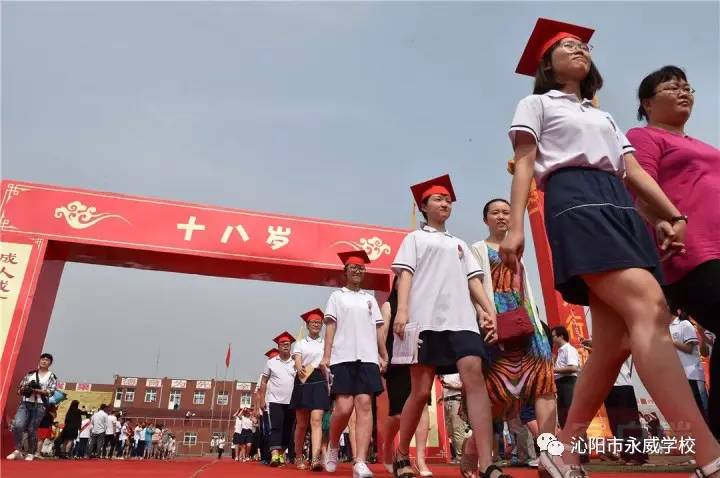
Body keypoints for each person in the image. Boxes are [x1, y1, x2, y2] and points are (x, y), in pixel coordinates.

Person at [502, 17, 720, 478]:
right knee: (650, 307)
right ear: (548, 63)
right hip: (574, 199)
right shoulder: (536, 103)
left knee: (614, 342)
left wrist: (670, 215)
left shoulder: (603, 115)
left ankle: (561, 449)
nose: (579, 50)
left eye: (583, 45)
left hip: (618, 204)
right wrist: (515, 226)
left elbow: (634, 172)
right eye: (567, 46)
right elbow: (524, 163)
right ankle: (708, 454)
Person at [626, 65, 720, 440]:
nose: (684, 92)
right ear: (647, 102)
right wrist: (665, 219)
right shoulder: (643, 137)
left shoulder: (705, 146)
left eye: (687, 87)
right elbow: (637, 187)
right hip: (689, 250)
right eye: (672, 86)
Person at [390, 175, 505, 478]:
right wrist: (402, 312)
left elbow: (474, 281)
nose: (444, 203)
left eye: (448, 200)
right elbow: (405, 276)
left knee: (474, 377)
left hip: (461, 321)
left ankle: (486, 463)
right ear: (424, 207)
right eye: (437, 199)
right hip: (424, 321)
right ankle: (401, 454)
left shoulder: (459, 245)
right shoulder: (414, 239)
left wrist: (488, 311)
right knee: (420, 390)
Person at [468, 198, 557, 469]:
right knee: (494, 394)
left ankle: (549, 455)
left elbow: (523, 287)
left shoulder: (517, 248)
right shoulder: (477, 248)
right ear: (486, 219)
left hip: (525, 322)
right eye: (495, 212)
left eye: (506, 212)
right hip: (495, 323)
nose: (502, 216)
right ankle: (472, 448)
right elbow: (474, 284)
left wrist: (536, 321)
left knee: (544, 382)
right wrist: (483, 316)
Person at [320, 250, 387, 478]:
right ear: (345, 272)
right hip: (342, 357)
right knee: (344, 408)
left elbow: (379, 328)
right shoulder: (337, 297)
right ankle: (333, 445)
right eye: (353, 268)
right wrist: (326, 356)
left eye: (361, 268)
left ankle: (360, 461)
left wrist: (383, 353)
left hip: (367, 358)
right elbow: (330, 327)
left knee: (365, 405)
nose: (357, 271)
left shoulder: (369, 299)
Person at [379, 276, 434, 477]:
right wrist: (383, 356)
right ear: (394, 285)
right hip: (397, 362)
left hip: (418, 359)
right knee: (397, 414)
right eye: (400, 280)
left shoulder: (419, 303)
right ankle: (387, 448)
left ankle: (420, 459)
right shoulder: (388, 306)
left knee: (422, 409)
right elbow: (383, 333)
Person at [290, 308, 331, 471]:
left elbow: (329, 359)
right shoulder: (300, 342)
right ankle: (298, 456)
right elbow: (298, 359)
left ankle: (315, 459)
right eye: (313, 322)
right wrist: (299, 367)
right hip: (303, 379)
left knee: (316, 419)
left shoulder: (325, 343)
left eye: (319, 323)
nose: (316, 325)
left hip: (319, 379)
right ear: (307, 325)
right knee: (301, 423)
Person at [6, 352, 58, 461]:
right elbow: (20, 388)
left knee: (32, 429)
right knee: (18, 425)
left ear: (50, 363)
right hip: (25, 403)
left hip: (39, 405)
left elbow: (51, 392)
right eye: (42, 359)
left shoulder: (51, 376)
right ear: (39, 361)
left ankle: (31, 452)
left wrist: (36, 390)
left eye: (47, 360)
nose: (44, 361)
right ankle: (18, 450)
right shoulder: (30, 374)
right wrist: (23, 390)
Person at [258, 331, 297, 467]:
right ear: (278, 346)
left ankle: (281, 454)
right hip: (274, 401)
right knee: (276, 428)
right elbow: (263, 381)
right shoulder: (271, 362)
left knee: (288, 429)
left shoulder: (295, 361)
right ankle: (274, 455)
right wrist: (262, 400)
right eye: (283, 344)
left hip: (292, 402)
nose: (286, 346)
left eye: (288, 344)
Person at [669, 312, 709, 421]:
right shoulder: (665, 328)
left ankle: (711, 435)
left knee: (701, 409)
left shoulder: (684, 324)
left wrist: (670, 342)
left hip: (692, 375)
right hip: (679, 376)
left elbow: (689, 349)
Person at [550, 326, 579, 429]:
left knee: (570, 415)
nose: (551, 339)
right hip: (561, 385)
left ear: (561, 336)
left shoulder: (569, 349)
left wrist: (552, 370)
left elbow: (573, 368)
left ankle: (579, 443)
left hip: (568, 384)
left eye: (553, 336)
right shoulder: (559, 352)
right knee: (563, 417)